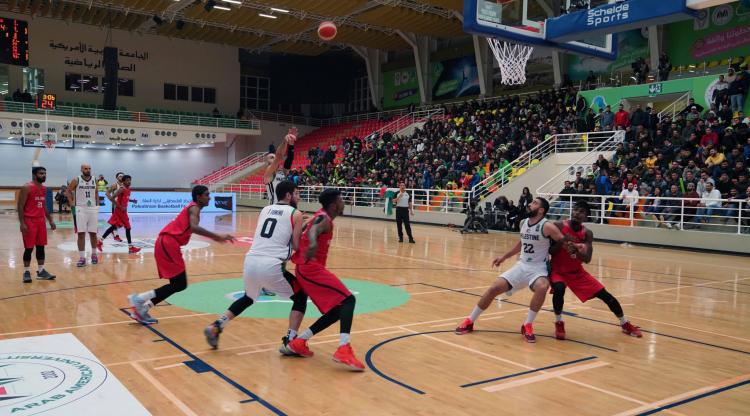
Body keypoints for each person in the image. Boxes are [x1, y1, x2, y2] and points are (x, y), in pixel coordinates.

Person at [203, 181, 307, 354]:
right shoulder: (295, 214)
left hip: (251, 261)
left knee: (249, 297)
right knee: (301, 296)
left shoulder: (265, 210)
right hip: (272, 264)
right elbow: (296, 245)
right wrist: (304, 226)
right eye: (296, 194)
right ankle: (290, 340)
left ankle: (217, 326)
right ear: (288, 195)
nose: (298, 197)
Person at [454, 197, 569, 343]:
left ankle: (527, 324)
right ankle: (470, 320)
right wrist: (504, 257)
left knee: (542, 286)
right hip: (522, 266)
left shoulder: (547, 226)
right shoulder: (524, 223)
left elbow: (564, 241)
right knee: (494, 287)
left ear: (541, 210)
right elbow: (521, 244)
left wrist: (576, 249)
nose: (530, 204)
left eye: (534, 203)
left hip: (538, 268)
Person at [128, 186, 235, 324]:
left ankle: (142, 309)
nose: (210, 197)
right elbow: (194, 227)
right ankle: (139, 299)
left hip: (168, 243)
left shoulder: (193, 208)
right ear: (198, 197)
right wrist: (217, 237)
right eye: (207, 194)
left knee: (177, 284)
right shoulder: (194, 207)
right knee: (180, 284)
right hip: (168, 242)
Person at [285, 189, 365, 370]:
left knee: (338, 310)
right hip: (310, 269)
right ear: (333, 205)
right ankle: (344, 348)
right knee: (349, 299)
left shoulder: (319, 216)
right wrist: (312, 242)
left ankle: (300, 341)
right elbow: (314, 230)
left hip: (307, 268)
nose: (344, 203)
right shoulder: (324, 219)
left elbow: (308, 227)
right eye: (342, 200)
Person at [549, 200, 642, 339]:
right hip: (558, 270)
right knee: (560, 289)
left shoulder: (587, 233)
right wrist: (562, 241)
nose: (576, 213)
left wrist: (575, 250)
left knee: (606, 296)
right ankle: (559, 322)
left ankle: (625, 323)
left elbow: (587, 259)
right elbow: (550, 250)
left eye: (581, 211)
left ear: (586, 217)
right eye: (575, 210)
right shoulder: (559, 226)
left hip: (576, 272)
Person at [18, 166, 57, 283]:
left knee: (41, 247)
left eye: (45, 173)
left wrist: (50, 220)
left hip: (41, 222)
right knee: (29, 248)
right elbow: (20, 206)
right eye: (41, 173)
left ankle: (41, 271)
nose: (44, 175)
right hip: (29, 221)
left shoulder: (44, 189)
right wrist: (22, 223)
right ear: (35, 175)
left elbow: (44, 205)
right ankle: (26, 271)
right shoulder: (27, 187)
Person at [66, 164, 100, 267]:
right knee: (81, 234)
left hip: (92, 208)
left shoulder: (95, 179)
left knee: (93, 233)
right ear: (81, 169)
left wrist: (97, 204)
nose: (88, 170)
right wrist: (71, 203)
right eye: (86, 168)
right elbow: (68, 191)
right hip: (80, 208)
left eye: (89, 168)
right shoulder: (76, 179)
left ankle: (94, 254)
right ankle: (82, 257)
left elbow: (96, 192)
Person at [100, 175, 140, 253]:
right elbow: (112, 198)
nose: (129, 182)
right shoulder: (121, 189)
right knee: (128, 228)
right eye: (127, 180)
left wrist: (132, 201)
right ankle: (130, 247)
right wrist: (120, 206)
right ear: (123, 181)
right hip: (120, 211)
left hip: (123, 211)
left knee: (114, 227)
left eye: (130, 180)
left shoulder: (128, 189)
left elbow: (125, 198)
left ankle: (100, 241)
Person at [105, 172, 125, 242]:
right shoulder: (114, 185)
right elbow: (107, 193)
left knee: (121, 222)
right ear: (117, 178)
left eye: (123, 176)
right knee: (116, 222)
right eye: (120, 176)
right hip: (116, 206)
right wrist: (112, 200)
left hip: (122, 206)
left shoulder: (124, 185)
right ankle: (116, 235)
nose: (121, 177)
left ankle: (113, 231)